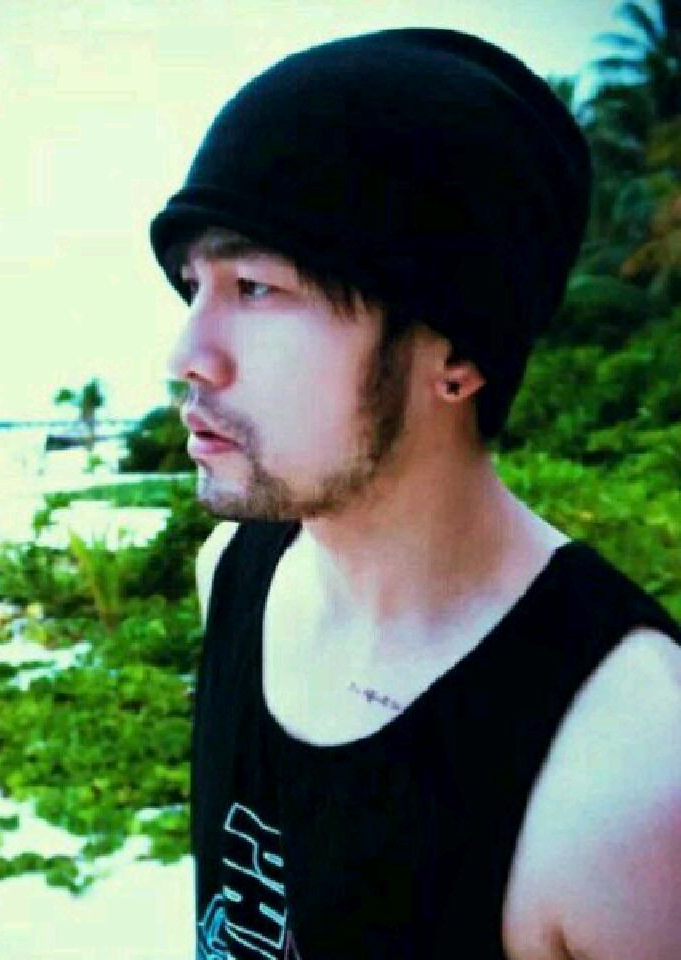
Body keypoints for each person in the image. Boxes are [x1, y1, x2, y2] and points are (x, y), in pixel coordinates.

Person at [148, 28, 681, 960]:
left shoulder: (632, 765)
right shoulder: (232, 574)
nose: (188, 355)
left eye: (258, 287)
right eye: (196, 285)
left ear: (458, 356)